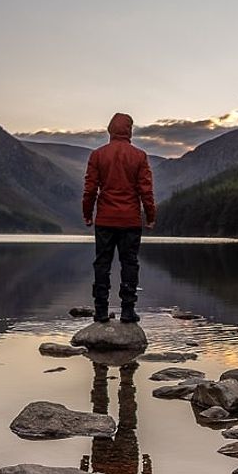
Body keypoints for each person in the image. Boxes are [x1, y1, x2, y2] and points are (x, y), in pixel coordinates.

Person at [82, 112, 156, 323]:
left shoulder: (97, 155)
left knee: (102, 264)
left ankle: (101, 311)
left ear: (110, 130)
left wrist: (88, 215)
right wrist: (150, 216)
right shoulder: (139, 156)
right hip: (130, 221)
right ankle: (127, 310)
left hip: (105, 220)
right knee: (129, 264)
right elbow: (146, 191)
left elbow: (90, 190)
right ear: (129, 130)